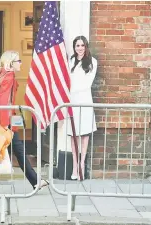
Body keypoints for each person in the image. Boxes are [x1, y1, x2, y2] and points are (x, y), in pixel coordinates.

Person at [0, 50, 49, 195]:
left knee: (16, 150)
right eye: (18, 61)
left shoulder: (2, 75)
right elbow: (4, 103)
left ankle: (36, 181)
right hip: (2, 123)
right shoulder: (9, 76)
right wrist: (5, 126)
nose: (20, 63)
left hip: (1, 121)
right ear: (10, 63)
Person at [67, 36, 97, 180]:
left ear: (86, 47)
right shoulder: (71, 61)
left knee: (84, 134)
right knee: (73, 134)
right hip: (72, 101)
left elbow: (87, 84)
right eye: (77, 45)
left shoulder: (92, 62)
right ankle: (74, 166)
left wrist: (72, 90)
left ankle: (82, 165)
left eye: (82, 45)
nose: (79, 48)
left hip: (84, 100)